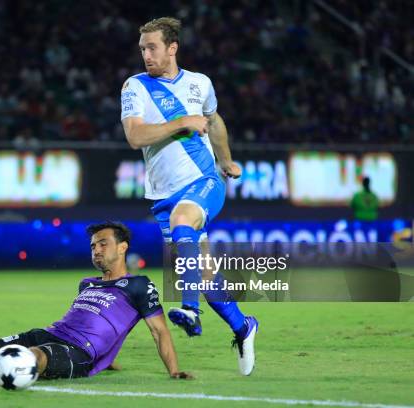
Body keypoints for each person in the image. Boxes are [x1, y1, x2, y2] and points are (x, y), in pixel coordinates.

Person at [120, 17, 258, 375]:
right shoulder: (135, 87)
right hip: (162, 196)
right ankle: (244, 327)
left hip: (204, 181)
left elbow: (212, 121)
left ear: (172, 47)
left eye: (152, 48)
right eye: (142, 49)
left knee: (184, 223)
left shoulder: (200, 83)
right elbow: (135, 137)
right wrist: (181, 123)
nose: (146, 55)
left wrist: (225, 159)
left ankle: (189, 309)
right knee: (206, 274)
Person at [0, 221, 192, 386]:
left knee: (34, 357)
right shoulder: (86, 283)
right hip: (45, 334)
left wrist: (173, 370)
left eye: (103, 244)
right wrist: (108, 360)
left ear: (122, 247)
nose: (96, 250)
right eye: (93, 246)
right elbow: (93, 322)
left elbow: (159, 331)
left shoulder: (139, 285)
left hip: (79, 352)